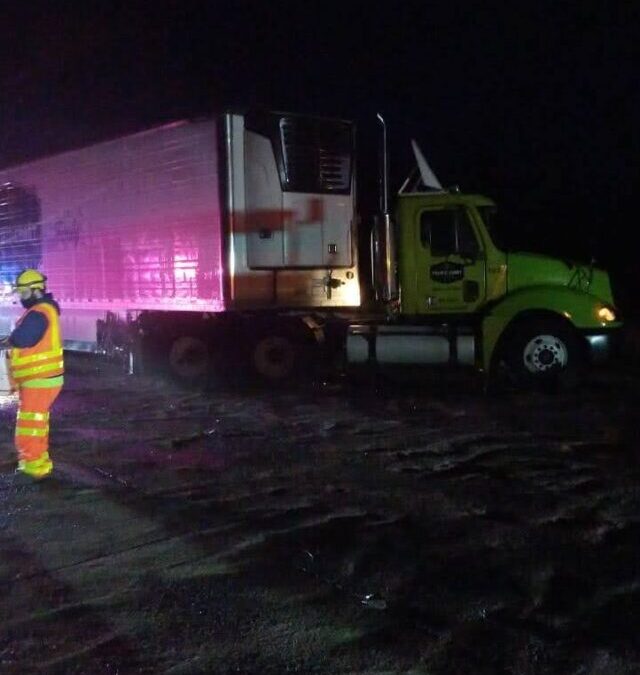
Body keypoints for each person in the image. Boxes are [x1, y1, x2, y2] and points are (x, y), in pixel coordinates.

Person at [1, 269, 64, 480]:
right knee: (37, 422)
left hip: (40, 380)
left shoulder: (40, 312)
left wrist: (6, 342)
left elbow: (24, 338)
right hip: (43, 379)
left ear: (36, 291)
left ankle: (33, 466)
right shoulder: (44, 310)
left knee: (29, 424)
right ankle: (39, 461)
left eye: (24, 293)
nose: (21, 298)